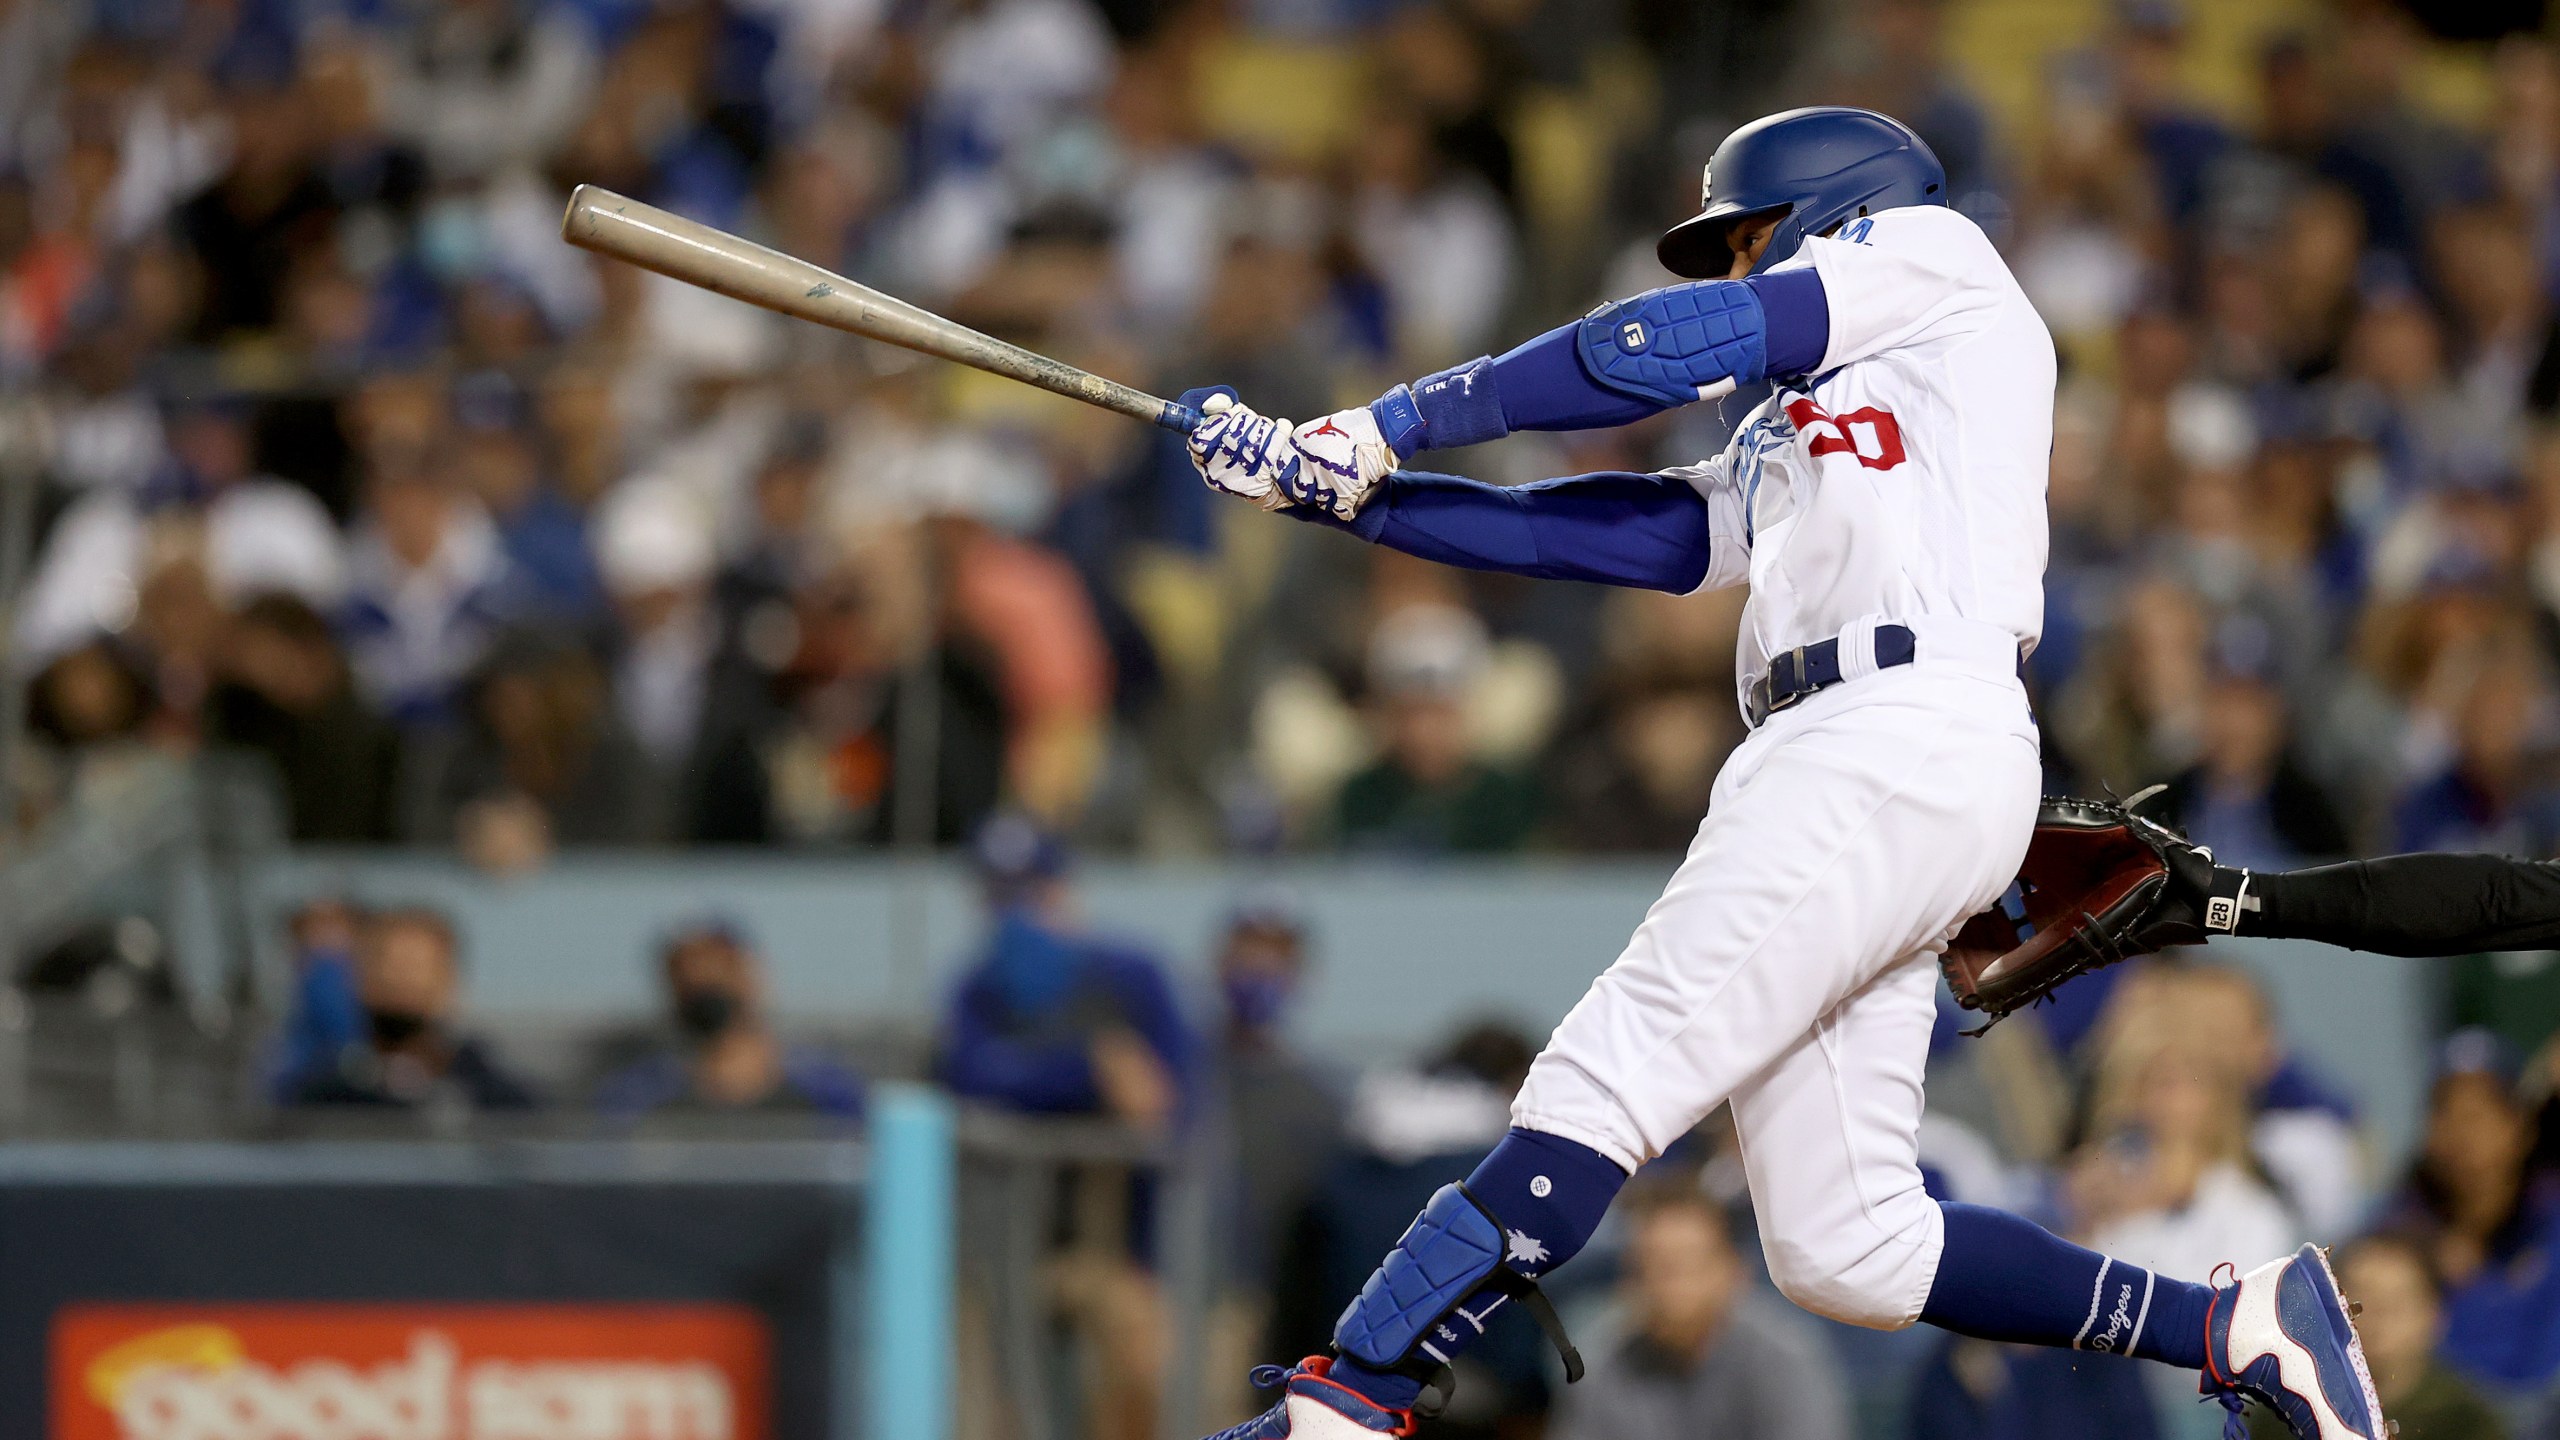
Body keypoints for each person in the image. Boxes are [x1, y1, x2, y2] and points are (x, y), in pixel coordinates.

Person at [1175, 107, 2382, 1440]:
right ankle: (2239, 1328)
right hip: (1874, 748)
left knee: (1608, 1070)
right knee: (1847, 1246)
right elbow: (1634, 537)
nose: (1738, 274)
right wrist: (1348, 495)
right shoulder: (1824, 417)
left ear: (1828, 210)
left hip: (1892, 729)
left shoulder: (1933, 256)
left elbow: (1665, 345)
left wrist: (1391, 420)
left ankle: (1355, 1393)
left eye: (1749, 241)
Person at [937, 815, 1194, 1130]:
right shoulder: (976, 990)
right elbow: (970, 1080)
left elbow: (1178, 1091)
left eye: (1034, 893)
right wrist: (1087, 1067)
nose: (1018, 913)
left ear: (1065, 889)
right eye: (1001, 896)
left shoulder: (1133, 975)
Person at [1548, 1184, 1851, 1440]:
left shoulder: (1784, 1355)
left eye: (1689, 1265)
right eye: (1657, 1267)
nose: (1672, 1287)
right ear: (1630, 1280)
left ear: (1735, 1272)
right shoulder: (1601, 1360)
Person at [593, 917, 865, 1124]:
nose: (702, 984)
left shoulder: (828, 1092)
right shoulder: (638, 1096)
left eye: (718, 969)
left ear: (752, 976)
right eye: (686, 977)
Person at [2243, 1236, 2506, 1440]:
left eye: (2394, 1303)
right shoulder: (2284, 1410)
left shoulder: (2465, 1422)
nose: (2374, 1316)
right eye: (2357, 1299)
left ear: (2434, 1315)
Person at [283, 905, 538, 1112]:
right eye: (385, 964)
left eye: (415, 967)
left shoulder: (497, 1100)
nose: (398, 979)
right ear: (356, 978)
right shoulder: (317, 1099)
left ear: (448, 983)